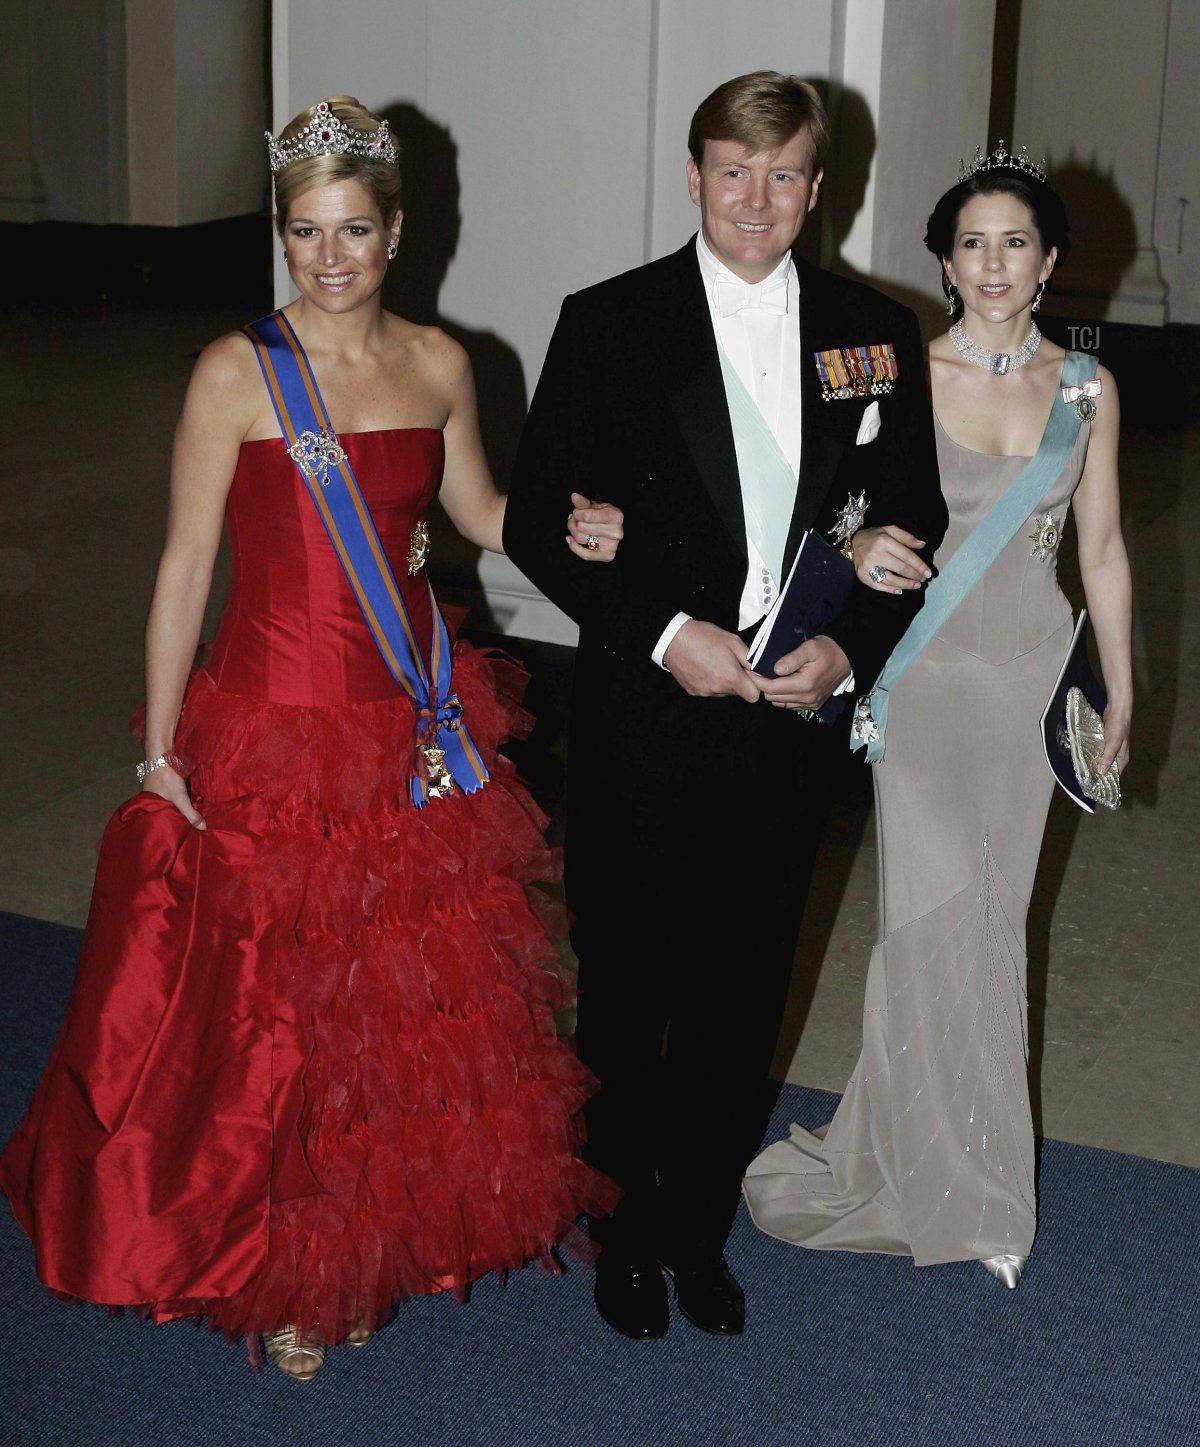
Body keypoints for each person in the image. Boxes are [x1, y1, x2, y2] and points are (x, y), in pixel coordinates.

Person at [0, 96, 625, 1381]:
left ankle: (374, 1235)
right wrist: (161, 750)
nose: (328, 257)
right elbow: (184, 567)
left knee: (398, 1008)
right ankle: (293, 1267)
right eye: (303, 232)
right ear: (283, 236)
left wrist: (580, 530)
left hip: (408, 724)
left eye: (353, 230)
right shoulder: (235, 371)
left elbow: (483, 517)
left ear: (398, 229)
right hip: (272, 730)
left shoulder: (444, 364)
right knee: (279, 1019)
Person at [502, 71, 946, 1339]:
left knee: (745, 990)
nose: (758, 200)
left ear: (820, 186)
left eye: (786, 175)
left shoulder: (874, 331)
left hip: (786, 725)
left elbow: (908, 511)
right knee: (632, 985)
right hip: (649, 716)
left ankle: (695, 1226)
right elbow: (540, 518)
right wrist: (658, 630)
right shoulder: (609, 322)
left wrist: (852, 649)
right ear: (693, 176)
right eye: (733, 172)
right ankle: (624, 1227)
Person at [744, 146, 1133, 1287]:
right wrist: (858, 546)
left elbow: (1101, 551)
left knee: (992, 923)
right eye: (974, 242)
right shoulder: (899, 371)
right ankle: (943, 1186)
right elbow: (822, 508)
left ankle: (980, 1179)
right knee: (923, 926)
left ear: (1051, 260)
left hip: (1026, 682)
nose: (994, 262)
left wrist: (1117, 689)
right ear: (947, 261)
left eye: (1017, 241)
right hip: (918, 683)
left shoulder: (1088, 388)